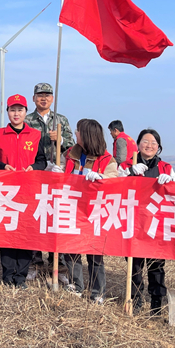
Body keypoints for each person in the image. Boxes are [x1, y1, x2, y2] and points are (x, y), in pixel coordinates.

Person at [0, 94, 47, 290]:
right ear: (7, 112)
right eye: (12, 110)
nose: (16, 113)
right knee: (6, 232)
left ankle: (21, 275)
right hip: (5, 192)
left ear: (25, 112)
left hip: (27, 191)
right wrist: (2, 166)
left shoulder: (35, 135)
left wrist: (34, 167)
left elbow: (42, 161)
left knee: (25, 232)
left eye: (20, 110)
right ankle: (7, 274)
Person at [58, 119, 118, 302]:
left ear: (87, 135)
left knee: (95, 254)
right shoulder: (69, 154)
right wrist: (55, 172)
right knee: (71, 250)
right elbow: (61, 172)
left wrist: (102, 179)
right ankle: (76, 285)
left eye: (78, 131)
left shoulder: (107, 159)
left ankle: (97, 292)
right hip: (72, 208)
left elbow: (114, 182)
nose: (75, 133)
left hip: (94, 213)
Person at [119, 128, 175, 314]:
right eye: (145, 141)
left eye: (154, 143)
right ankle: (135, 298)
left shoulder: (165, 167)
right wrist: (129, 172)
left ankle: (156, 301)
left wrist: (171, 181)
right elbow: (115, 185)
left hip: (156, 224)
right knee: (135, 264)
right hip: (134, 222)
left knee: (157, 265)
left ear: (158, 147)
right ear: (138, 144)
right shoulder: (126, 165)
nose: (149, 145)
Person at [24, 82, 74, 278]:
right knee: (35, 216)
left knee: (56, 217)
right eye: (40, 95)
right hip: (35, 173)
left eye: (47, 95)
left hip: (57, 173)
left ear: (52, 98)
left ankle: (58, 264)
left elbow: (72, 145)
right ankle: (35, 262)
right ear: (34, 98)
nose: (43, 98)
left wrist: (60, 139)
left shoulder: (60, 119)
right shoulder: (27, 120)